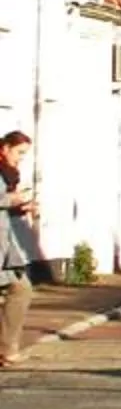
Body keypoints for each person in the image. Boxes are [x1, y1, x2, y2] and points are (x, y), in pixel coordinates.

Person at [0, 131, 38, 367]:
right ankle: (7, 350)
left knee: (21, 289)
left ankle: (7, 349)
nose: (21, 158)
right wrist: (11, 200)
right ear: (5, 148)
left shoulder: (8, 174)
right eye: (19, 153)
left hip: (4, 245)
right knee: (20, 289)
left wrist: (21, 207)